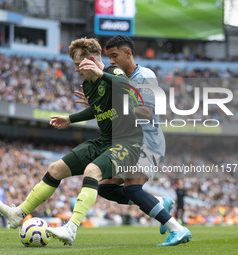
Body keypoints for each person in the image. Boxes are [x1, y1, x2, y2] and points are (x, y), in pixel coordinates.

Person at [0, 37, 143, 246]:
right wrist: (70, 118)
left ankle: (71, 228)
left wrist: (101, 74)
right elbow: (97, 108)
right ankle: (18, 213)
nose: (76, 70)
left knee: (92, 171)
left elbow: (129, 89)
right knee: (56, 169)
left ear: (91, 60)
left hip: (127, 143)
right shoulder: (88, 85)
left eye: (77, 65)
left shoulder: (112, 72)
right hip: (105, 141)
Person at [74, 35, 191, 246]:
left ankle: (178, 229)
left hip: (148, 141)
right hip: (130, 144)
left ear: (128, 53)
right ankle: (158, 202)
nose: (111, 61)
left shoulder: (143, 76)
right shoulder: (118, 79)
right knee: (105, 188)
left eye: (114, 55)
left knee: (131, 188)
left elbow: (145, 112)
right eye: (108, 56)